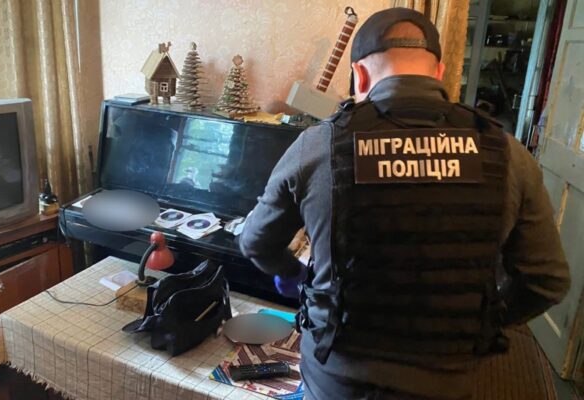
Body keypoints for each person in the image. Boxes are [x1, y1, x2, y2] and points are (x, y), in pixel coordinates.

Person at [240, 8, 570, 400]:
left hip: (337, 379)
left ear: (359, 76)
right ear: (439, 73)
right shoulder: (508, 154)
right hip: (447, 381)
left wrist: (294, 274)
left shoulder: (316, 146)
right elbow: (547, 281)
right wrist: (481, 321)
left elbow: (255, 241)